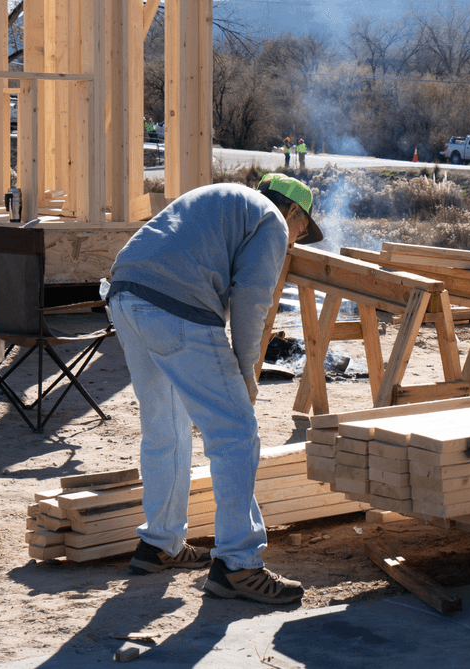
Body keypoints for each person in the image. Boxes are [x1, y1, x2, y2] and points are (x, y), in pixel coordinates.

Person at [107, 174, 323, 605]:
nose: (298, 239)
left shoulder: (224, 199)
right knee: (236, 433)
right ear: (293, 211)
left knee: (166, 428)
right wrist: (245, 375)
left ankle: (159, 544)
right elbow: (253, 300)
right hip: (176, 303)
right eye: (303, 229)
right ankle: (239, 566)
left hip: (125, 294)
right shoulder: (272, 222)